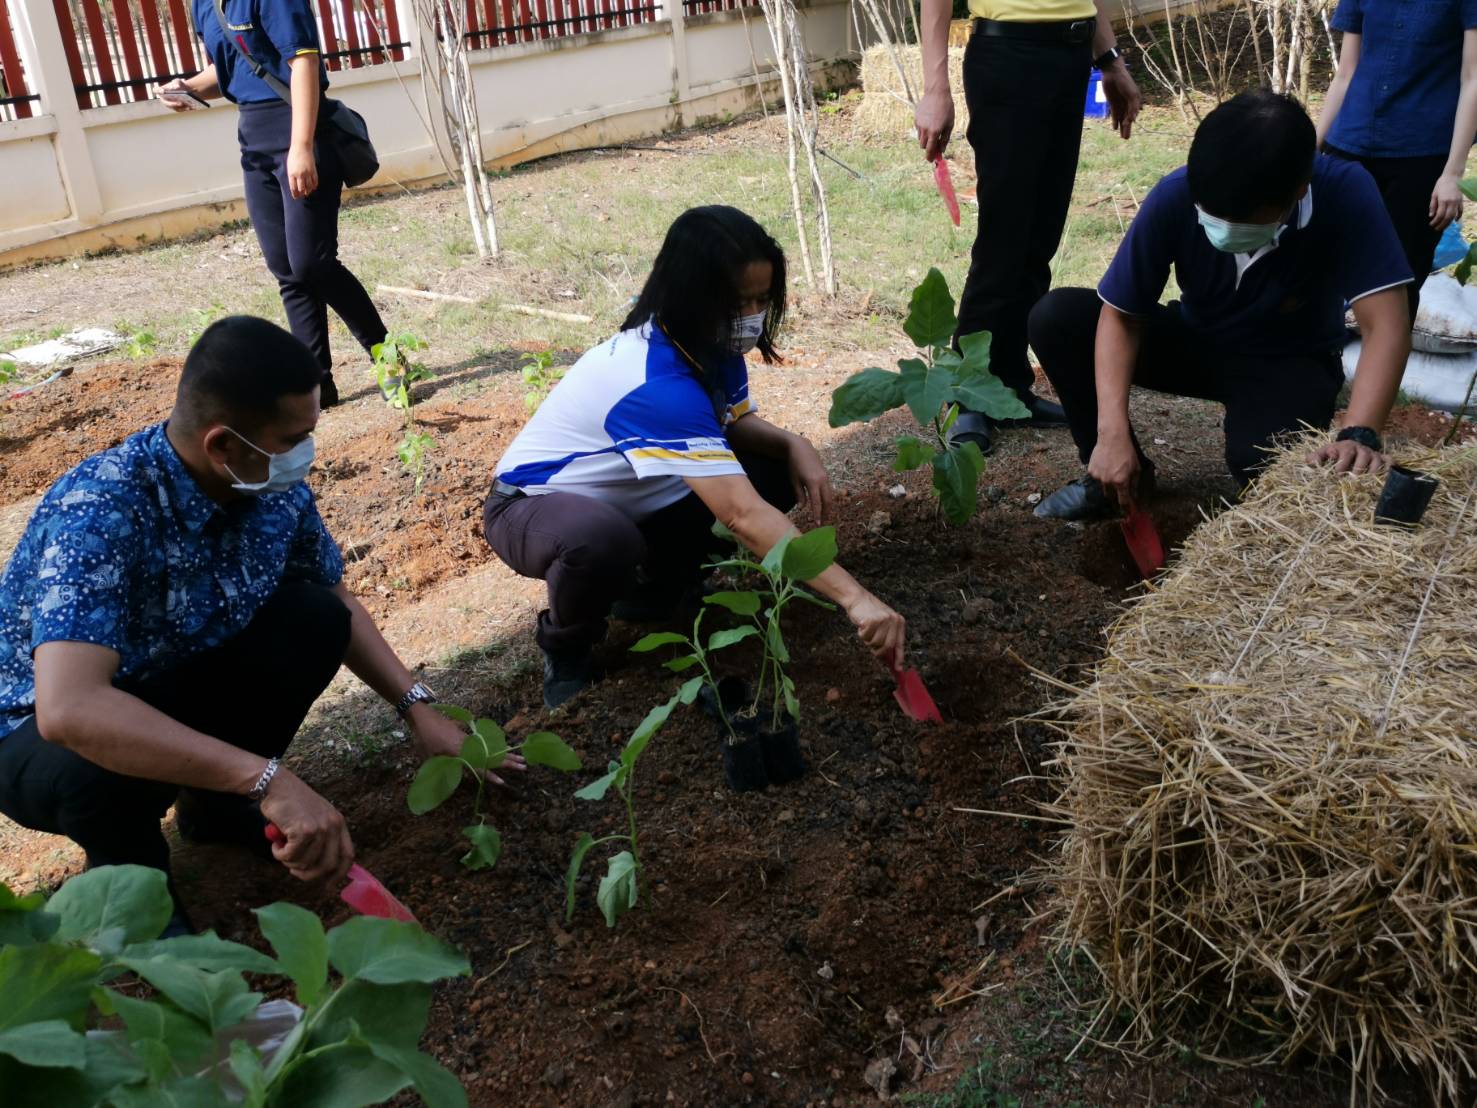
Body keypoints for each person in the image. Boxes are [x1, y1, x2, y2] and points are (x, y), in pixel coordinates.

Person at [0, 317, 506, 934]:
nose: (304, 453)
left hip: (166, 680)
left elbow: (332, 599)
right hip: (33, 732)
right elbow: (70, 710)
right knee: (90, 767)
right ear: (222, 445)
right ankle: (132, 881)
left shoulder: (267, 484)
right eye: (292, 438)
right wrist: (266, 777)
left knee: (313, 619)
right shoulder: (100, 510)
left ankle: (214, 809)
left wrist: (416, 704)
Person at [484, 206, 907, 709]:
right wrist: (855, 598)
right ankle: (567, 643)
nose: (751, 316)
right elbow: (740, 515)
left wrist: (797, 443)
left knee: (770, 470)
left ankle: (654, 587)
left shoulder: (704, 343)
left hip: (631, 500)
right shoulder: (653, 380)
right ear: (692, 295)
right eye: (738, 301)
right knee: (602, 540)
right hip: (532, 508)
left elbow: (732, 422)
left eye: (761, 299)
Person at [1029, 90, 1413, 521]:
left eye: (1243, 220)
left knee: (1263, 464)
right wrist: (1111, 431)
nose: (1223, 228)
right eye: (1212, 213)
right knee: (1057, 318)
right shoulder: (1177, 193)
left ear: (1299, 188)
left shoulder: (1344, 191)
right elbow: (1121, 314)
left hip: (1290, 360)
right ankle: (1116, 483)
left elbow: (1387, 325)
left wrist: (1360, 432)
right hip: (1198, 340)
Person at [914, 0, 1142, 456]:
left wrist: (1109, 59)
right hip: (1009, 56)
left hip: (1071, 56)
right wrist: (936, 87)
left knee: (1040, 237)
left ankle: (1009, 386)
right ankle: (967, 396)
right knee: (1005, 239)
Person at [154, 0, 390, 408]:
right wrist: (188, 87)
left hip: (299, 131)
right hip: (254, 141)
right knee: (285, 269)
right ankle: (317, 385)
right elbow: (232, 67)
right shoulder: (204, 6)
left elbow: (303, 63)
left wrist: (300, 147)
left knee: (312, 263)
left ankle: (390, 360)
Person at [1316, 1, 1477, 325]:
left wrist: (1452, 173)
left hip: (1420, 155)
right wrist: (1310, 148)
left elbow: (1473, 78)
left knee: (1398, 281)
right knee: (1323, 265)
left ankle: (1384, 372)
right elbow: (1346, 73)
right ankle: (1324, 366)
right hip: (1348, 143)